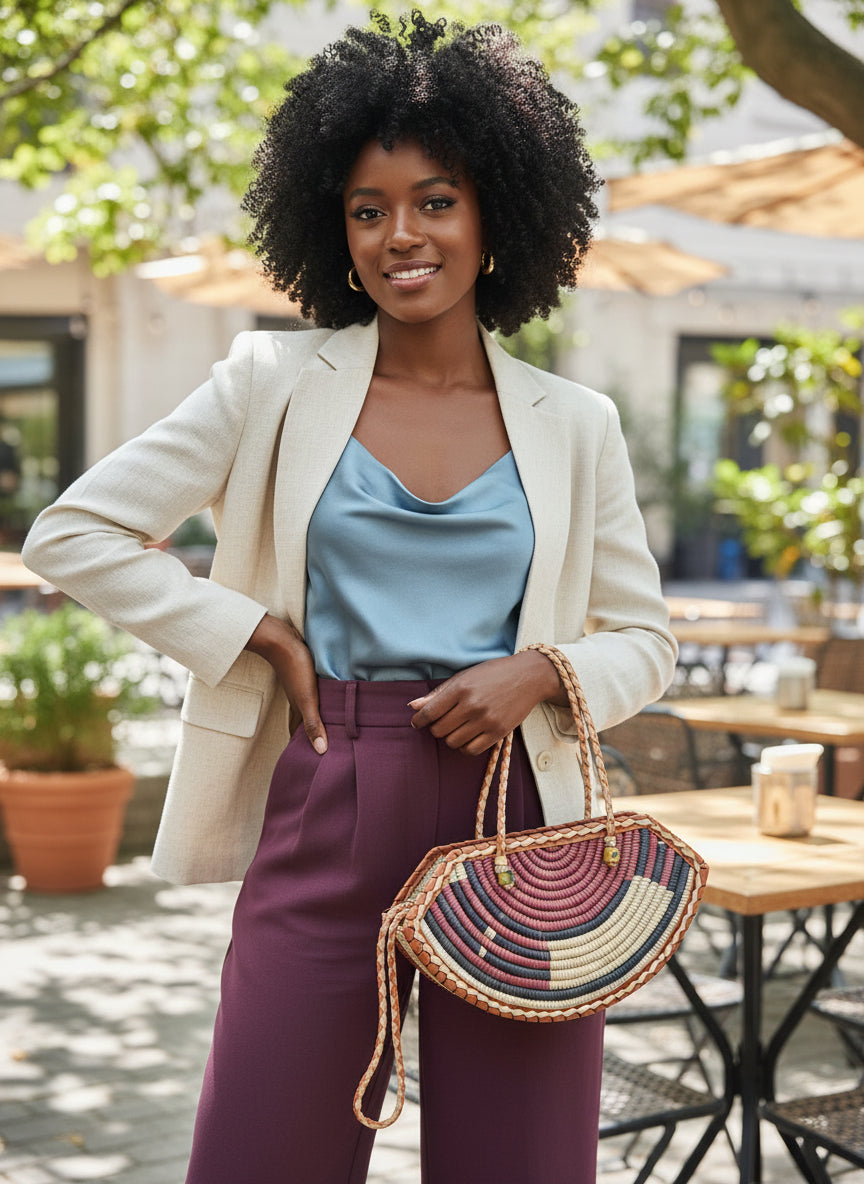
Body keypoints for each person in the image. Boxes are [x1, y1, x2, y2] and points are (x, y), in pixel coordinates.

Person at [23, 12, 677, 1184]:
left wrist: (547, 670)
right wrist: (252, 633)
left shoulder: (579, 425)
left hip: (516, 808)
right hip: (332, 782)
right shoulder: (271, 382)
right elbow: (73, 530)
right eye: (368, 210)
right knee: (260, 1156)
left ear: (496, 214)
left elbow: (645, 638)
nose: (401, 235)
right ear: (334, 230)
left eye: (435, 200)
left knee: (518, 1166)